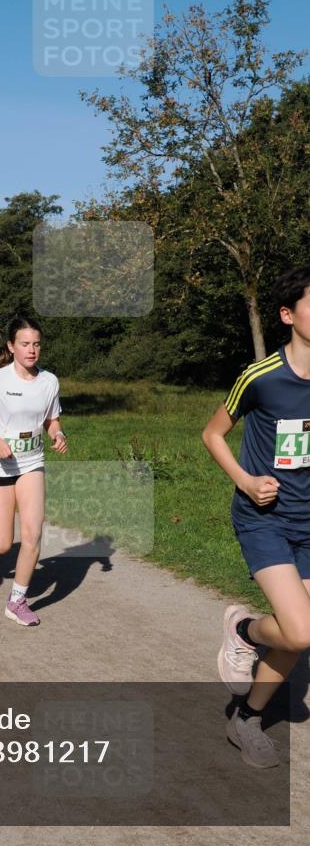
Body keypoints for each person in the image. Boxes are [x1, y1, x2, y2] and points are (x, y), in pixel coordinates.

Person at [202, 264, 310, 769]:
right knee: (302, 631)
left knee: (298, 632)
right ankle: (245, 632)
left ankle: (246, 717)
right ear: (288, 315)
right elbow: (213, 434)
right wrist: (245, 481)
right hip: (264, 518)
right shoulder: (261, 376)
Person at [0, 316, 68, 625]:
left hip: (32, 462)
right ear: (11, 347)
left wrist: (58, 434)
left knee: (33, 533)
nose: (32, 350)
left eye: (36, 344)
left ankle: (17, 601)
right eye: (25, 344)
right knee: (2, 545)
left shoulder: (50, 381)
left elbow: (52, 419)